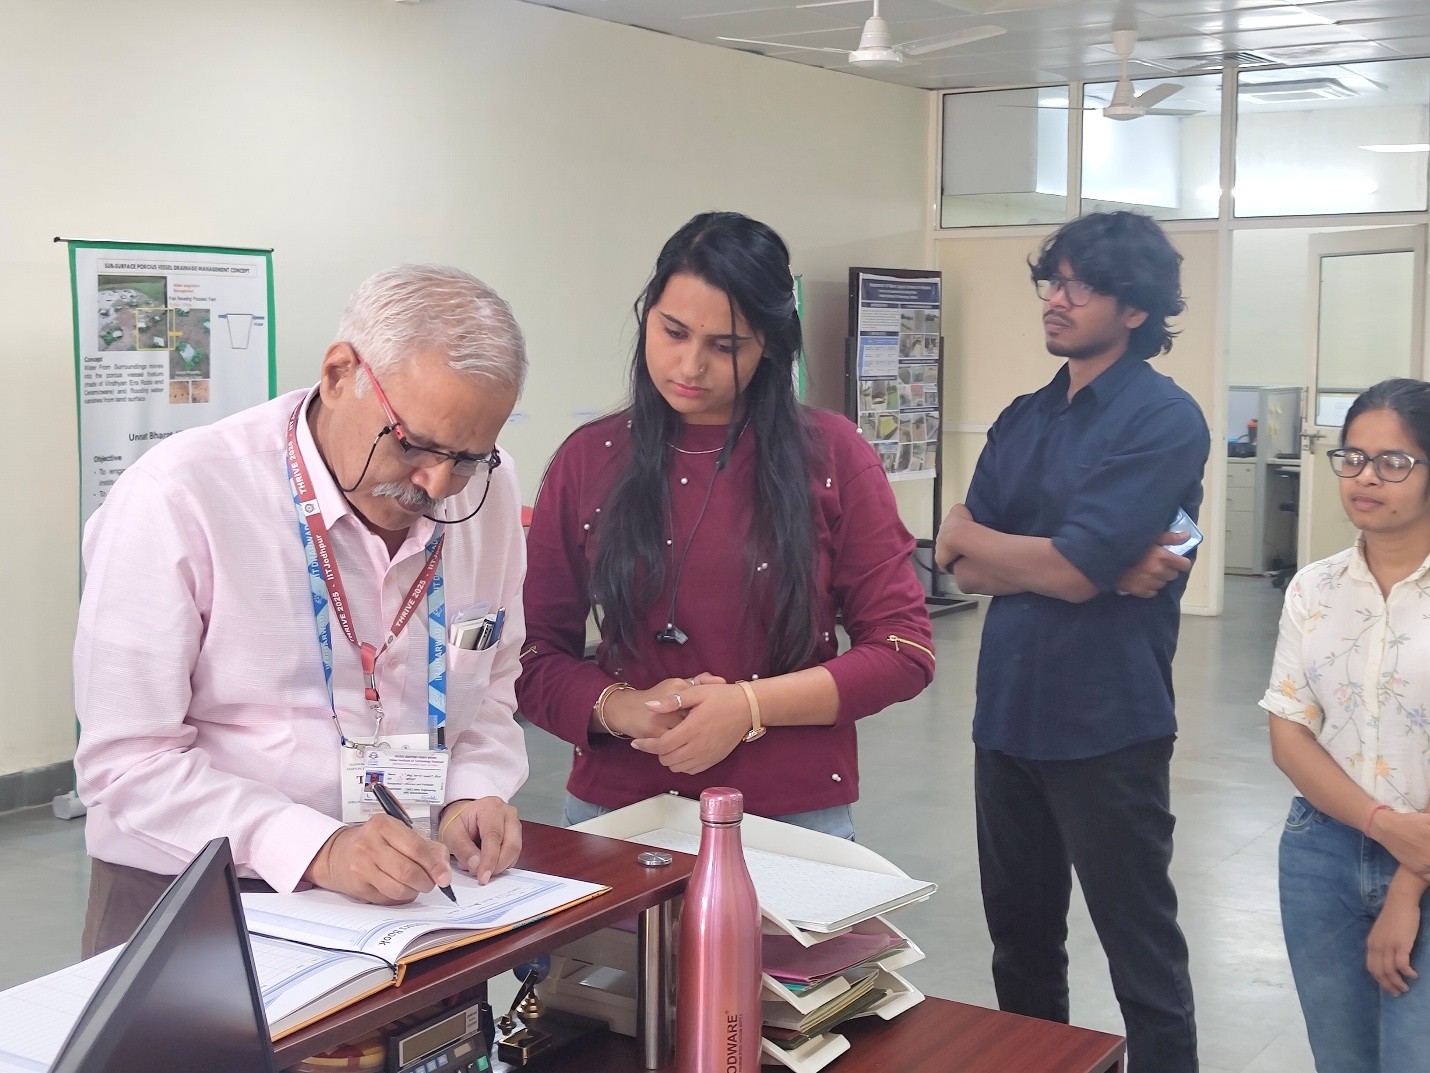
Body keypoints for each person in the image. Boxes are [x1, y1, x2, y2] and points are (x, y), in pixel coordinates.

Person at [74, 265, 530, 956]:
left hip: (407, 895)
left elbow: (491, 684)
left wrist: (470, 795)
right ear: (340, 372)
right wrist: (315, 848)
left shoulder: (486, 491)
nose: (437, 483)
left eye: (467, 456)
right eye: (412, 444)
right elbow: (127, 762)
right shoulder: (179, 497)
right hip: (194, 896)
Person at [516, 211, 935, 840]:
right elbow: (527, 654)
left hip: (793, 818)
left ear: (769, 344)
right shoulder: (589, 458)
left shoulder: (833, 454)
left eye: (725, 346)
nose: (690, 365)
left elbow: (905, 650)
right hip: (620, 812)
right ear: (647, 316)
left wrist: (749, 707)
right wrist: (622, 710)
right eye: (673, 332)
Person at [934, 211, 1207, 1072]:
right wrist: (1072, 561)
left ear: (1136, 307)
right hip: (1007, 717)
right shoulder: (1023, 416)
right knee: (1020, 947)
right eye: (1052, 278)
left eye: (1081, 283)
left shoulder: (1163, 418)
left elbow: (1059, 566)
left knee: (1142, 956)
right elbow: (958, 562)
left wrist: (1058, 560)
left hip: (1108, 726)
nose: (1058, 297)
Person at [1264, 378, 1430, 1072]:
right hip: (1322, 853)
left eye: (1394, 461)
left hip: (1426, 856)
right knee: (1343, 1060)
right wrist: (1383, 825)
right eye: (1353, 457)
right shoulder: (1313, 588)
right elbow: (1289, 733)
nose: (1366, 477)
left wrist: (1408, 877)